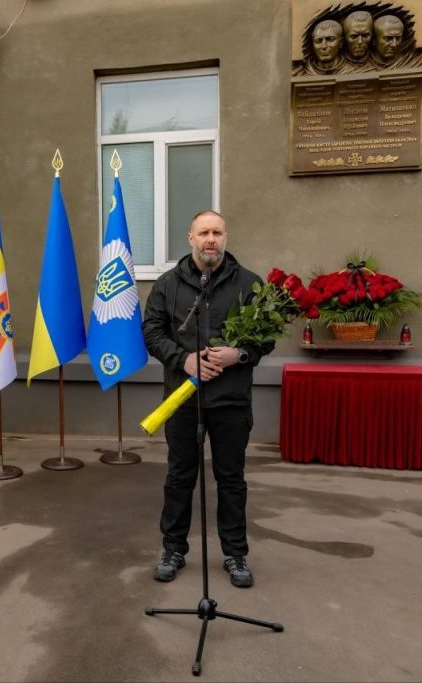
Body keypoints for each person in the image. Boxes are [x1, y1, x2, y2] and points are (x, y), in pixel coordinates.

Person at [142, 210, 274, 589]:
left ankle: (235, 554)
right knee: (179, 476)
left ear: (226, 237)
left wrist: (240, 355)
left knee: (231, 478)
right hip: (183, 401)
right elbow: (151, 331)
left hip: (231, 400)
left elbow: (265, 337)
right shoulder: (168, 285)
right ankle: (173, 548)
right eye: (204, 233)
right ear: (190, 238)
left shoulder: (250, 284)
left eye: (217, 232)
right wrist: (181, 359)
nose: (210, 239)